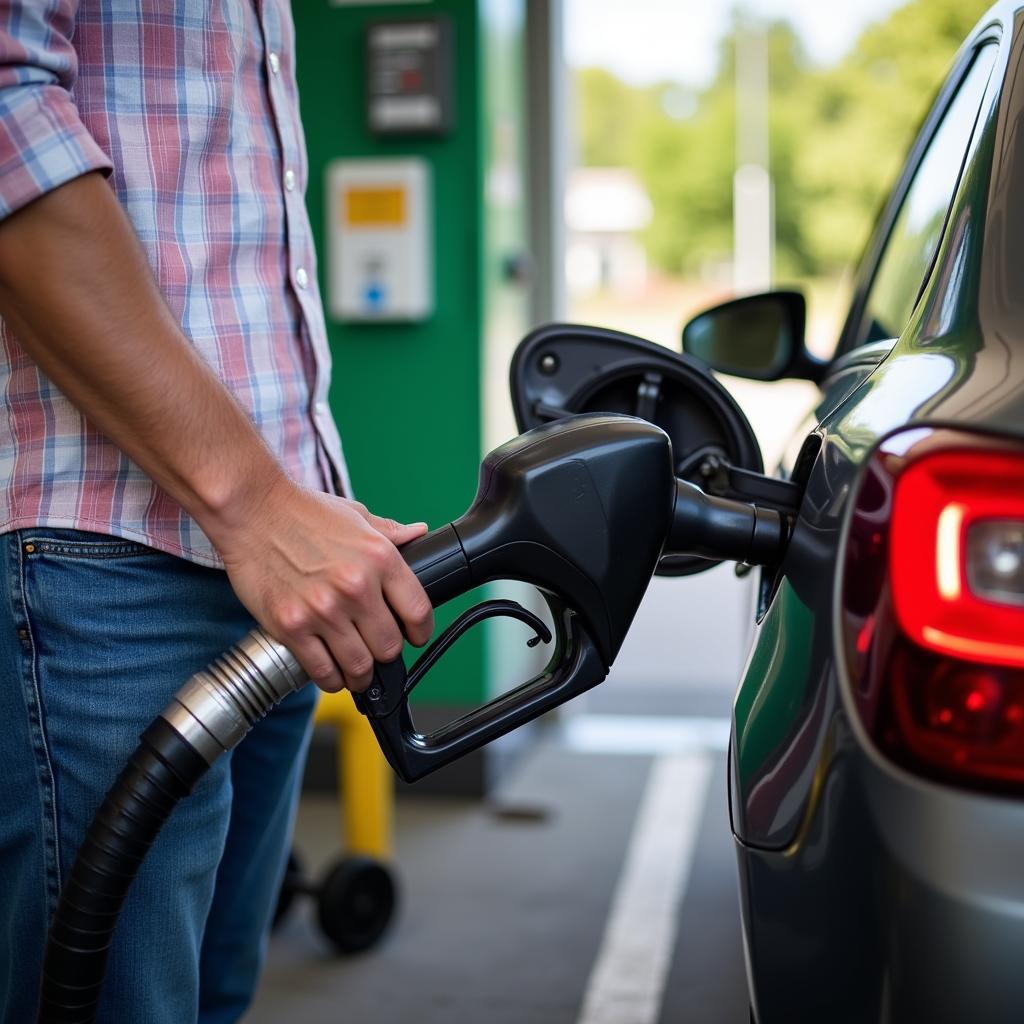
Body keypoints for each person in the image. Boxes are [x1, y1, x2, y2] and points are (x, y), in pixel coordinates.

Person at [0, 2, 435, 1021]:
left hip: (271, 558)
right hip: (110, 554)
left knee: (209, 999)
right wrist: (253, 503)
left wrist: (292, 506)